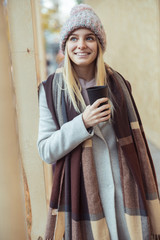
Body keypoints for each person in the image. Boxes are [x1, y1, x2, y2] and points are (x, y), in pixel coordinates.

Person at [37, 4, 160, 240]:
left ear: (99, 45)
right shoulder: (51, 90)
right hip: (83, 196)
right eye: (73, 38)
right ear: (65, 45)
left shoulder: (119, 85)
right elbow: (46, 150)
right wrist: (82, 123)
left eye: (89, 38)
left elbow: (137, 146)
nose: (81, 45)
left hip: (126, 194)